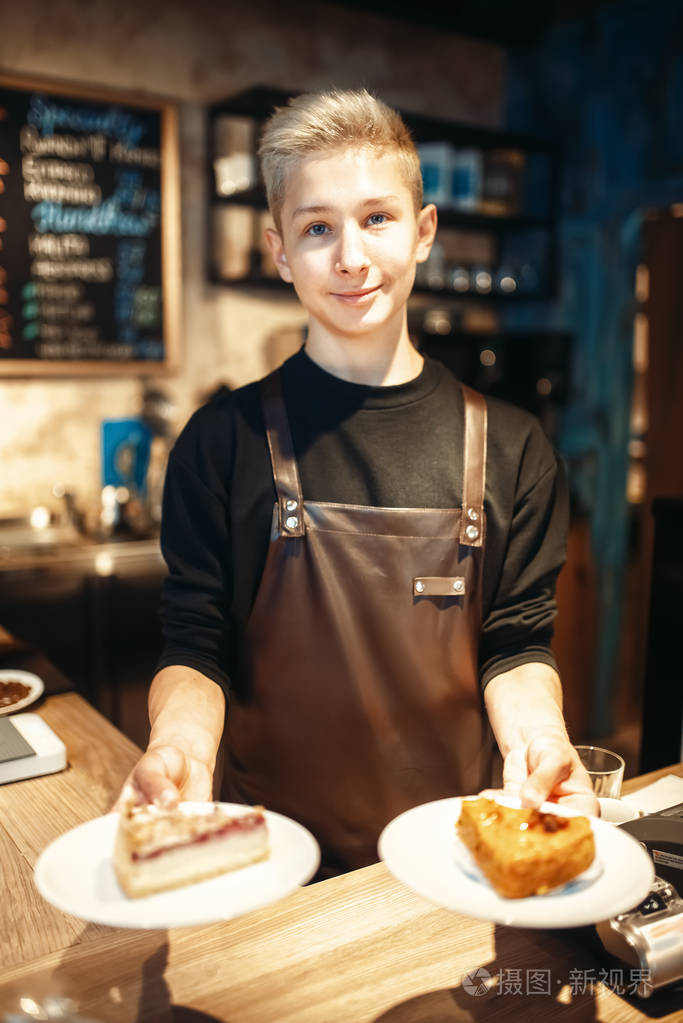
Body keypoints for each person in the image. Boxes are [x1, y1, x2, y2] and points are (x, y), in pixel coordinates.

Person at [117, 88, 597, 874]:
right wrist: (179, 746)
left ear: (423, 231)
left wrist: (542, 740)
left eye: (377, 218)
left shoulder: (513, 448)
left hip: (458, 860)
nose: (350, 257)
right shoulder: (221, 443)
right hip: (264, 863)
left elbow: (514, 644)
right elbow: (197, 643)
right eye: (317, 228)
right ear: (278, 250)